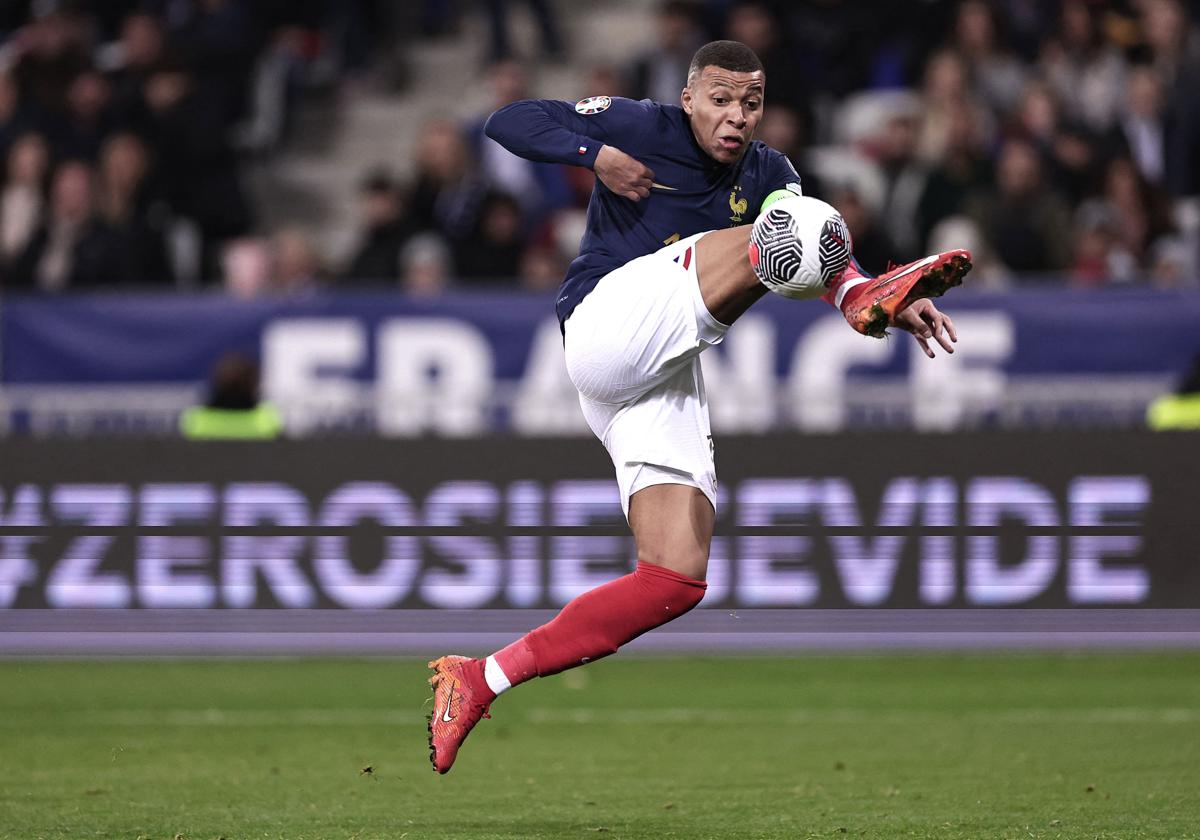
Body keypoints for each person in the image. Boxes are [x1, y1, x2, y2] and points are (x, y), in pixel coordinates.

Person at [425, 40, 972, 774]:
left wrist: (853, 290)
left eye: (750, 102)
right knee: (788, 228)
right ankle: (863, 297)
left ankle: (480, 679)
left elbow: (800, 250)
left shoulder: (770, 173)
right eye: (719, 98)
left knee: (674, 579)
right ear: (688, 99)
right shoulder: (642, 127)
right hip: (603, 325)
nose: (735, 116)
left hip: (658, 371)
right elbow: (509, 120)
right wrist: (594, 154)